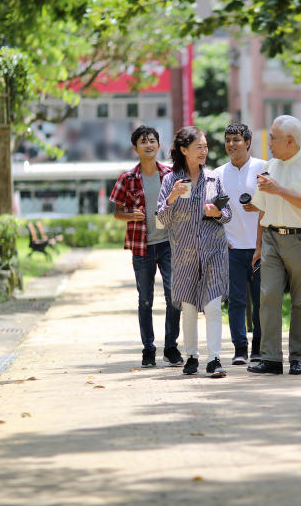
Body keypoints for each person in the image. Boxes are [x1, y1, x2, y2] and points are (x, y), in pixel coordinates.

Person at [247, 115, 301, 376]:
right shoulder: (271, 165)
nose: (269, 142)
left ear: (290, 141)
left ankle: (297, 357)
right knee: (268, 296)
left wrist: (278, 189)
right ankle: (270, 358)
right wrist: (258, 245)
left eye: (273, 137)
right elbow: (261, 207)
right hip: (271, 238)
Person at [156, 126, 232, 378]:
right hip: (184, 254)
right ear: (183, 149)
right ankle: (191, 356)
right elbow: (160, 221)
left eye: (205, 146)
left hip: (213, 252)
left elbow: (228, 214)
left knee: (212, 306)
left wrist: (217, 213)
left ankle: (214, 358)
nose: (204, 151)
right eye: (198, 147)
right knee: (188, 307)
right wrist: (172, 198)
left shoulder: (214, 179)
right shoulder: (170, 181)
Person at [109, 125, 183, 369]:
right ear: (135, 148)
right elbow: (117, 213)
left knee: (174, 297)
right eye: (143, 142)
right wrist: (131, 215)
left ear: (159, 146)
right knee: (145, 300)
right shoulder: (127, 178)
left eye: (152, 141)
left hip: (168, 244)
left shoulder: (171, 175)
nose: (149, 145)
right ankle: (148, 349)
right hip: (142, 247)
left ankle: (171, 347)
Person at [216, 123, 266, 365]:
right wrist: (223, 240)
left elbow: (271, 206)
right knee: (236, 301)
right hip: (232, 249)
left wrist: (261, 245)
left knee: (260, 301)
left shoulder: (263, 169)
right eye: (228, 140)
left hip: (260, 249)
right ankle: (240, 349)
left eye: (236, 139)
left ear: (248, 142)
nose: (231, 144)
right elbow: (213, 211)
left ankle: (258, 347)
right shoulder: (217, 174)